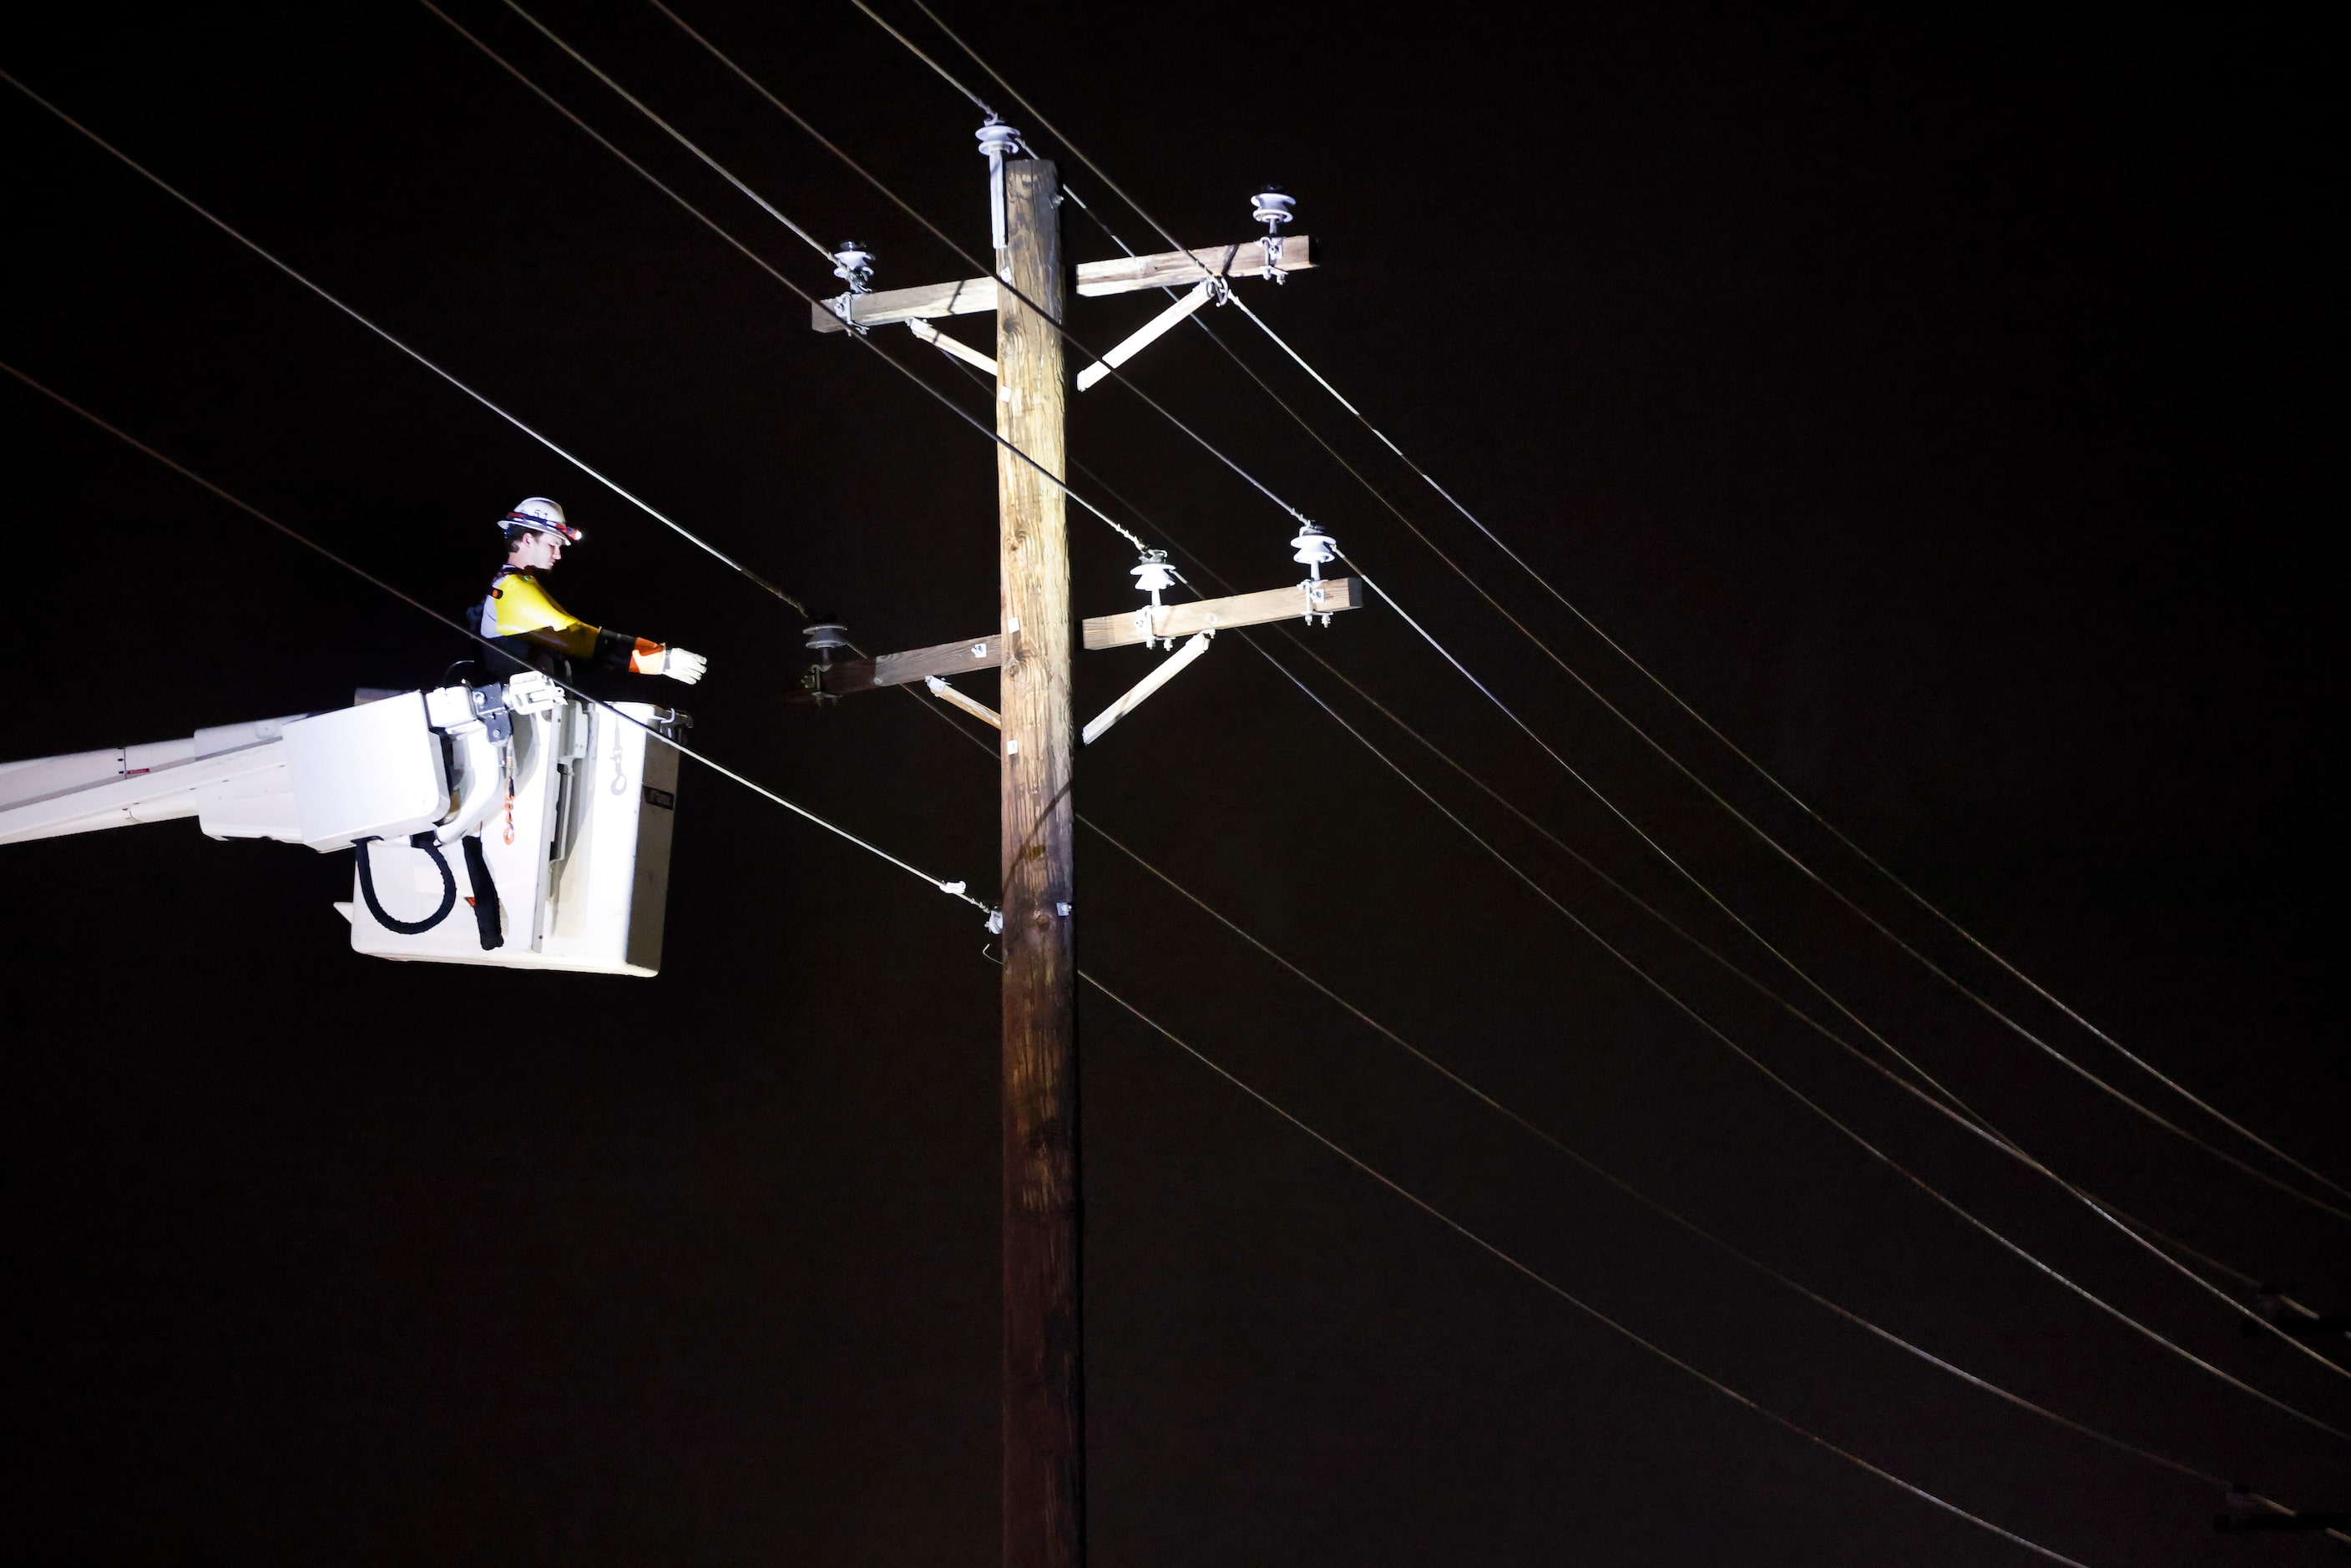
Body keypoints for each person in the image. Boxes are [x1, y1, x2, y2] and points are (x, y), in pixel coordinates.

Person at [479, 498, 706, 686]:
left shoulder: (519, 583)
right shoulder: (512, 589)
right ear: (528, 540)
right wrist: (660, 659)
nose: (558, 555)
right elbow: (576, 634)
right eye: (553, 544)